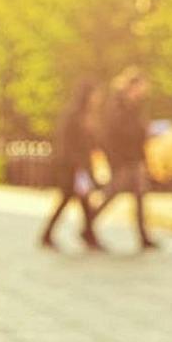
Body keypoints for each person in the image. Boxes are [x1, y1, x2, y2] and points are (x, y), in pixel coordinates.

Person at [91, 68, 159, 251]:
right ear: (131, 86)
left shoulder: (135, 107)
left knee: (139, 197)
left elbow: (138, 136)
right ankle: (88, 224)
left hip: (134, 159)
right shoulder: (116, 106)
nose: (142, 92)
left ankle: (144, 237)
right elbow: (111, 135)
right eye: (140, 88)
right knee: (111, 194)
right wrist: (115, 160)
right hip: (122, 160)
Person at [39, 79, 104, 251]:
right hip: (72, 167)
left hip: (80, 166)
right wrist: (76, 165)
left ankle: (87, 234)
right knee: (71, 199)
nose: (98, 98)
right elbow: (67, 143)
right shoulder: (74, 116)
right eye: (95, 94)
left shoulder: (87, 115)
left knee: (80, 201)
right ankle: (86, 235)